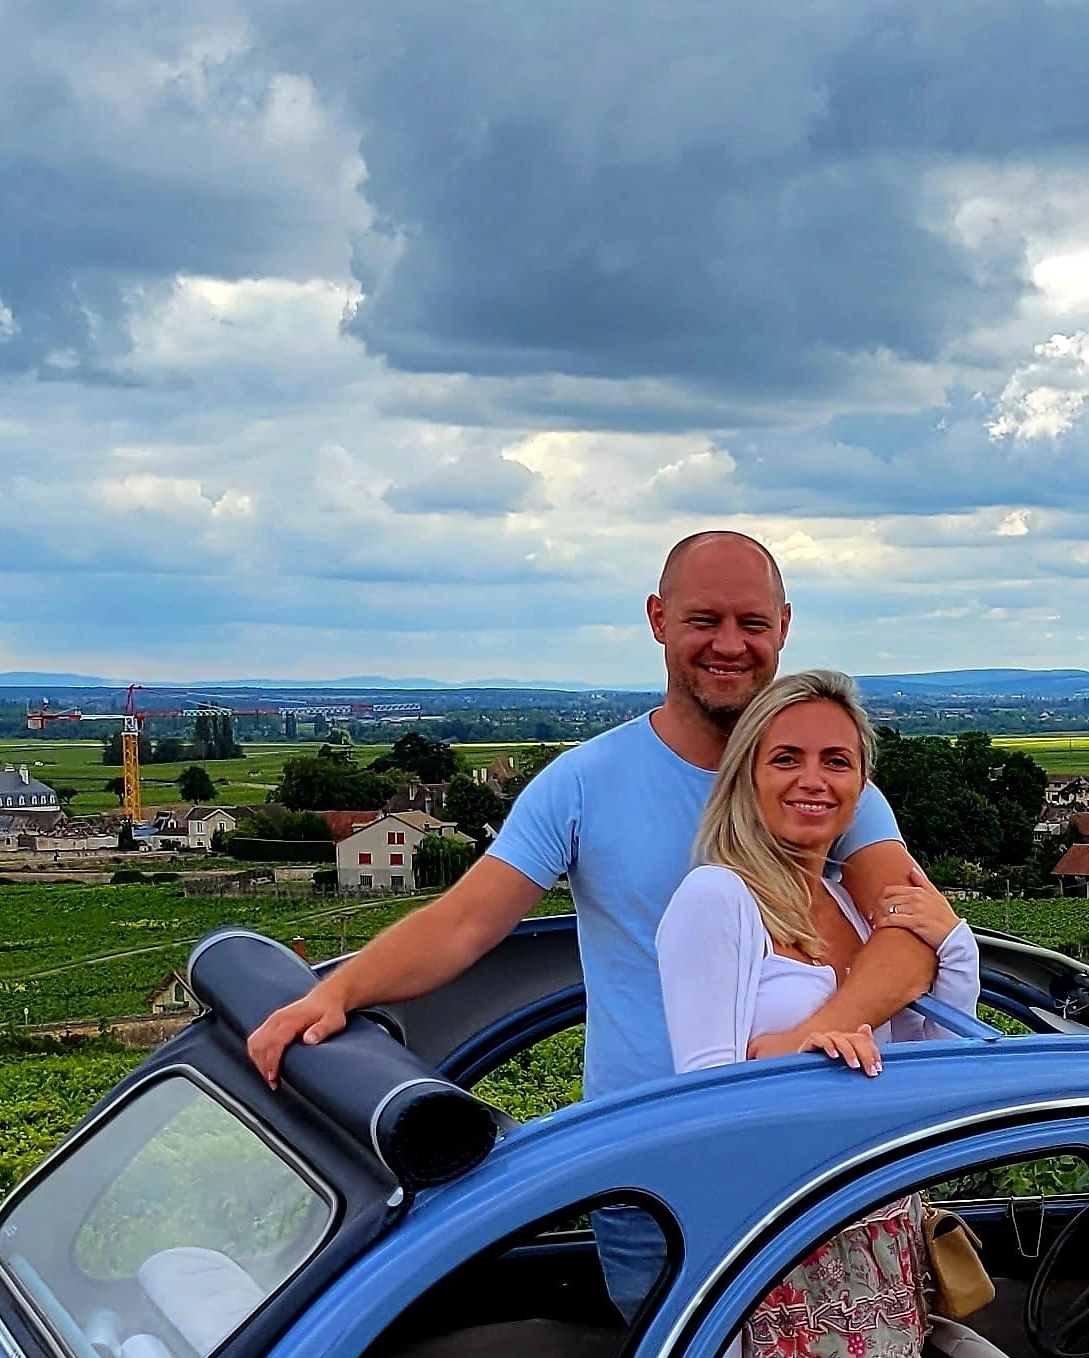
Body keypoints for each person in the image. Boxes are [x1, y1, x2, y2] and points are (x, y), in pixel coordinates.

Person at [244, 531, 954, 1307]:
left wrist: (802, 1045)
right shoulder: (585, 783)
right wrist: (338, 993)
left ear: (783, 627)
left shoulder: (821, 783)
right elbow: (463, 924)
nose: (729, 645)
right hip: (645, 1172)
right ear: (658, 620)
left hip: (808, 1169)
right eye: (704, 620)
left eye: (751, 623)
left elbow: (911, 936)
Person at [660, 668, 980, 1358]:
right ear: (747, 776)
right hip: (796, 1253)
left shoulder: (851, 902)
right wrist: (808, 1059)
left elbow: (932, 1057)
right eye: (786, 758)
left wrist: (954, 946)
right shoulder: (717, 898)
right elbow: (706, 1107)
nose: (814, 779)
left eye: (837, 761)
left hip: (881, 1244)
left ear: (861, 783)